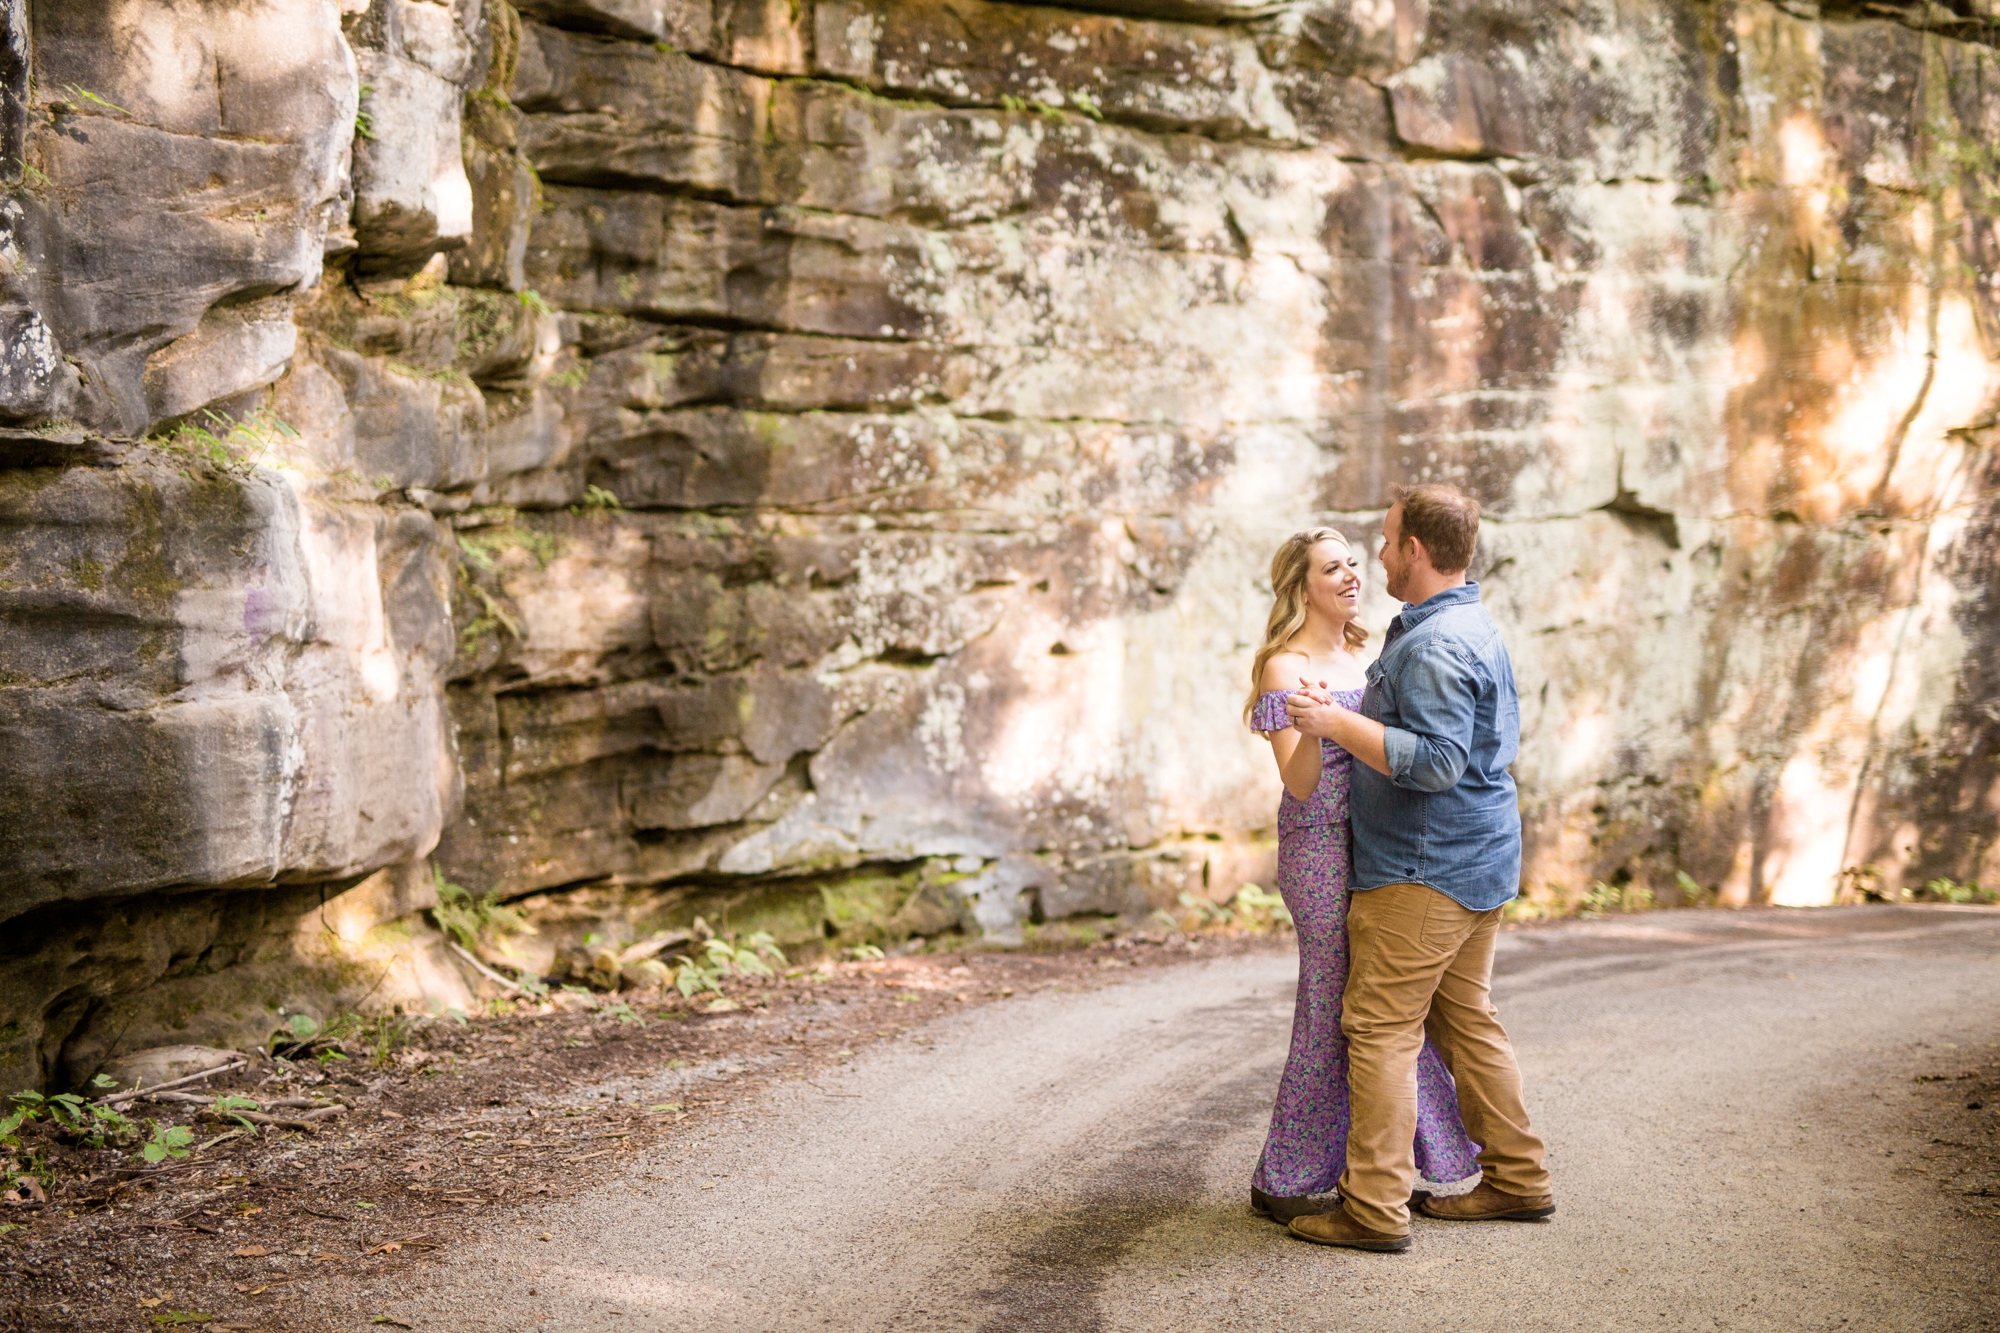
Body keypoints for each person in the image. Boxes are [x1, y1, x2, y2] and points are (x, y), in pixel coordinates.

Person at [1281, 483, 1554, 1253]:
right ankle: (1520, 1177)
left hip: (1423, 870)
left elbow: (1435, 762)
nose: (1378, 551)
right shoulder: (1467, 619)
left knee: (1377, 1027)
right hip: (1480, 856)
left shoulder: (1434, 644)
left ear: (1419, 552)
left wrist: (1336, 721)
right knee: (1467, 1019)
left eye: (1389, 538)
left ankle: (1372, 1207)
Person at [1242, 526, 1479, 1228]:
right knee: (1330, 1002)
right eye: (1331, 568)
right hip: (1317, 847)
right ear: (1301, 586)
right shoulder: (1282, 667)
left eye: (1352, 562)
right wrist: (1315, 725)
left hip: (1384, 842)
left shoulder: (1371, 652)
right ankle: (1287, 1175)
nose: (1350, 575)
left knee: (1389, 1005)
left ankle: (1401, 1167)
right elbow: (1302, 783)